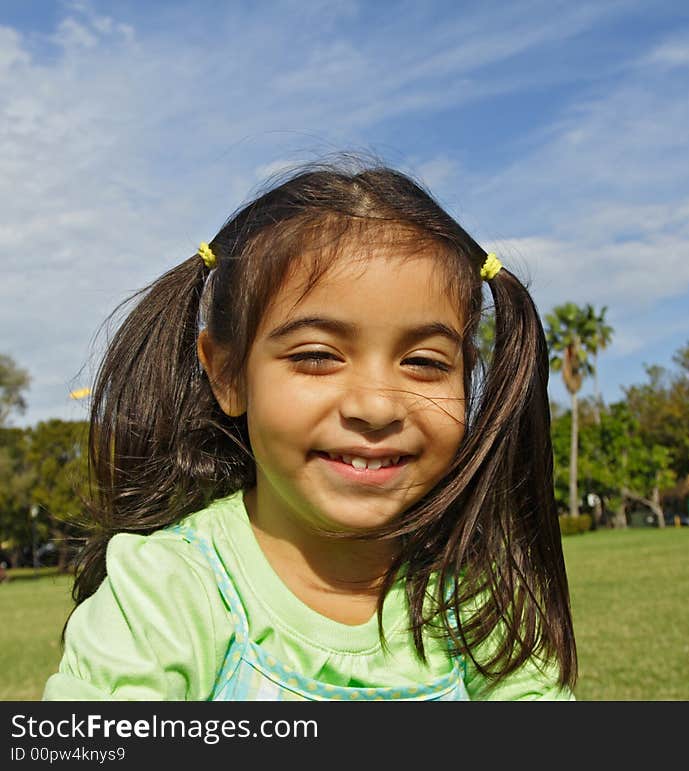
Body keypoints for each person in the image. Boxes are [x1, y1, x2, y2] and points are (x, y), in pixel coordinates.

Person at [43, 159, 577, 701]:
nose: (376, 406)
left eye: (424, 362)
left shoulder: (474, 605)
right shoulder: (167, 595)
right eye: (318, 356)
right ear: (227, 374)